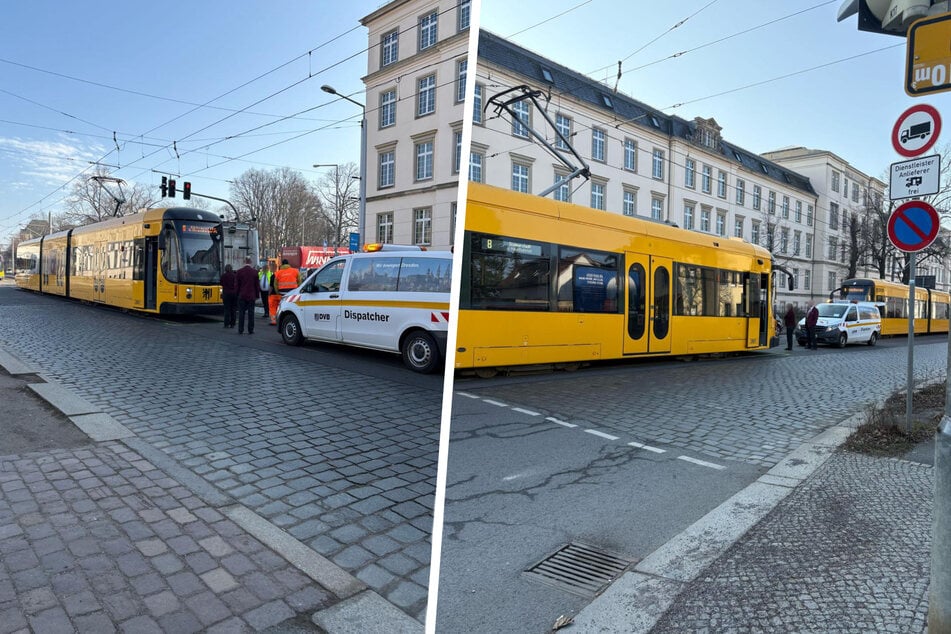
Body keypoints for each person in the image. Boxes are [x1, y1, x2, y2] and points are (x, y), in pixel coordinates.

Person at [269, 258, 301, 325]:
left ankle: (280, 319)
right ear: (288, 264)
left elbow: (275, 284)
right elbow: (299, 281)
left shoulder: (278, 273)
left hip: (282, 293)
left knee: (282, 306)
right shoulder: (295, 271)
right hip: (293, 292)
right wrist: (298, 290)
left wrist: (278, 292)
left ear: (282, 265)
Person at [235, 257, 259, 335]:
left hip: (242, 295)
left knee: (241, 313)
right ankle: (250, 329)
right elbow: (256, 285)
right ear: (251, 262)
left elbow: (237, 285)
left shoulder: (239, 272)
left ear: (244, 262)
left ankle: (240, 329)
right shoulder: (255, 272)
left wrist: (237, 294)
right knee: (251, 313)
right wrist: (257, 295)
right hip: (251, 295)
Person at [220, 264, 237, 329]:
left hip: (226, 293)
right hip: (233, 293)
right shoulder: (234, 276)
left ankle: (226, 323)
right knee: (233, 309)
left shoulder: (223, 276)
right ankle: (232, 323)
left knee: (227, 309)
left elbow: (221, 283)